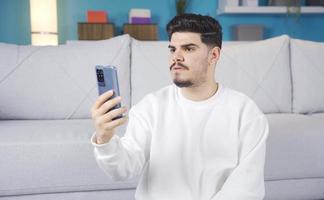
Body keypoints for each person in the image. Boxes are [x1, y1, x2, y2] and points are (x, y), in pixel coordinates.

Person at [91, 13, 269, 200]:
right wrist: (105, 139)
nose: (176, 57)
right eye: (172, 49)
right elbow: (123, 169)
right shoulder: (151, 106)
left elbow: (246, 188)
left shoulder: (246, 113)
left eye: (188, 49)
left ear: (214, 55)